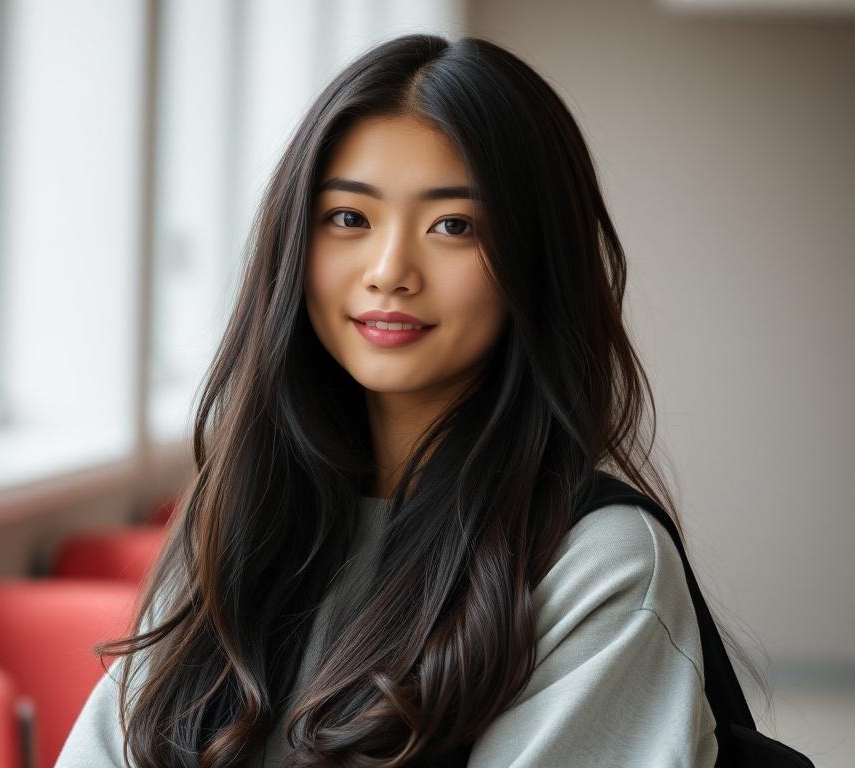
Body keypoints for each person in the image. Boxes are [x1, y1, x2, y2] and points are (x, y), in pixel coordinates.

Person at [57, 33, 762, 767]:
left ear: (536, 258)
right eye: (350, 219)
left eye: (454, 226)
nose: (390, 270)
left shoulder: (596, 565)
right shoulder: (239, 516)